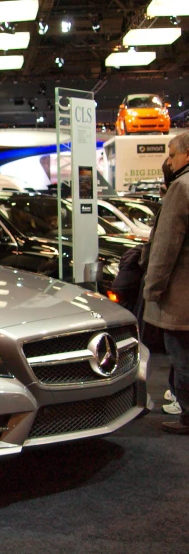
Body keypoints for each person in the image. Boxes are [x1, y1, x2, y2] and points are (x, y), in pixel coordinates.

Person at [143, 131, 189, 434]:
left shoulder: (181, 188)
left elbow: (165, 246)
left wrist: (153, 287)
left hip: (182, 295)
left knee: (182, 357)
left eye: (171, 154)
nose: (167, 161)